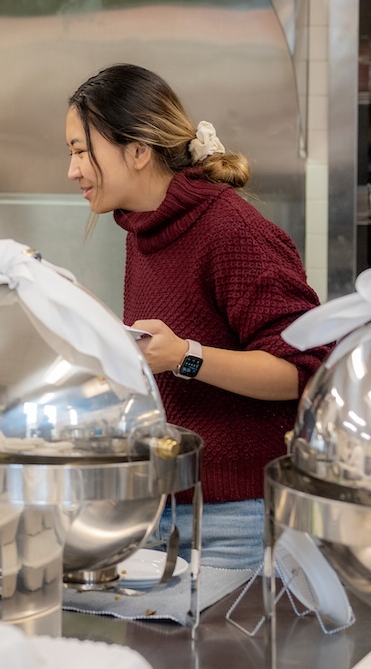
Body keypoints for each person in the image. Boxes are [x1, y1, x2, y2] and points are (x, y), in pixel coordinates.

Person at [65, 63, 330, 569]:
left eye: (81, 150)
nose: (73, 170)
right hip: (156, 506)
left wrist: (188, 357)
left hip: (237, 519)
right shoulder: (144, 231)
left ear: (138, 151)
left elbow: (306, 372)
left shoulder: (232, 231)